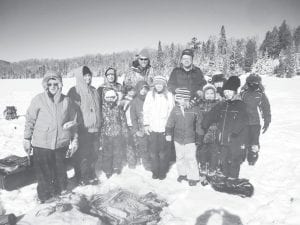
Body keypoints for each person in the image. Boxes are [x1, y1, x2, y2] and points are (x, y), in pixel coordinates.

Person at [24, 71, 78, 203]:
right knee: (44, 173)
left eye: (56, 83)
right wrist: (26, 139)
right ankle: (45, 196)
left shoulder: (67, 100)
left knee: (60, 170)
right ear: (46, 85)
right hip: (42, 144)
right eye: (50, 84)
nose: (53, 86)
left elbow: (73, 122)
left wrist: (75, 139)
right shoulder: (38, 99)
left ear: (60, 84)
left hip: (61, 143)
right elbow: (30, 120)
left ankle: (61, 190)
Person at [202, 76, 248, 179]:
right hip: (222, 138)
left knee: (234, 159)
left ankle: (233, 178)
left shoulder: (241, 105)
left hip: (234, 139)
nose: (227, 93)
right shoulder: (222, 104)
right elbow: (212, 114)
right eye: (225, 92)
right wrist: (205, 123)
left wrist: (235, 133)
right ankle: (224, 176)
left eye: (229, 91)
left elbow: (243, 120)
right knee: (223, 158)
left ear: (235, 92)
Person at [67, 66, 102, 185]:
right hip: (83, 129)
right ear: (79, 77)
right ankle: (80, 176)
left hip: (95, 128)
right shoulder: (74, 91)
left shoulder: (94, 90)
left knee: (94, 154)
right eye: (85, 75)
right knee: (82, 155)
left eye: (89, 75)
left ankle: (91, 174)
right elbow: (72, 111)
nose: (87, 77)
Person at [165, 88, 202, 186]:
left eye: (184, 99)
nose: (181, 101)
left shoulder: (195, 109)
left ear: (188, 99)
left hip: (190, 138)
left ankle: (193, 177)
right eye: (179, 99)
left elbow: (199, 124)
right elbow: (170, 122)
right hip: (178, 138)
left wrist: (199, 136)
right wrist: (168, 133)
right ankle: (183, 174)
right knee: (180, 157)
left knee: (190, 158)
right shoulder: (175, 109)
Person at [143, 75, 174, 180]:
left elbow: (171, 112)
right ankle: (155, 170)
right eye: (157, 84)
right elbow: (145, 110)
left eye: (161, 84)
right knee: (153, 152)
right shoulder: (149, 95)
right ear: (154, 85)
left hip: (164, 129)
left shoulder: (169, 95)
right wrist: (146, 124)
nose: (159, 86)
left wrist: (169, 128)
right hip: (152, 128)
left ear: (164, 85)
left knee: (163, 152)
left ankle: (162, 171)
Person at [240, 73, 271, 165]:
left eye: (256, 83)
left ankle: (252, 155)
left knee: (254, 141)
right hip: (243, 122)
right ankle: (241, 155)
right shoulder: (243, 93)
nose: (253, 84)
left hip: (255, 123)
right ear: (248, 83)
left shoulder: (260, 94)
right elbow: (236, 105)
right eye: (251, 83)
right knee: (243, 139)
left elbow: (265, 108)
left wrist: (267, 121)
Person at [100, 89, 128, 178]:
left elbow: (123, 120)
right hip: (106, 134)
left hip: (117, 134)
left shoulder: (118, 108)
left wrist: (125, 131)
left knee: (117, 152)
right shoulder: (102, 109)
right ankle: (107, 170)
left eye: (112, 97)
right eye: (108, 98)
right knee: (107, 153)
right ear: (105, 98)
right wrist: (100, 135)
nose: (110, 99)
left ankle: (116, 167)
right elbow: (101, 122)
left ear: (115, 98)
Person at [197, 84, 220, 176]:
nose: (209, 95)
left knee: (214, 150)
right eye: (207, 93)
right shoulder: (200, 104)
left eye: (211, 93)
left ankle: (212, 167)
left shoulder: (218, 104)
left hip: (214, 131)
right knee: (203, 150)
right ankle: (203, 165)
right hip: (203, 131)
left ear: (215, 94)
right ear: (204, 94)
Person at [130, 81, 151, 170]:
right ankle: (146, 163)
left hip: (151, 126)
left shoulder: (150, 99)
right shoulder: (135, 101)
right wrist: (136, 130)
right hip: (140, 127)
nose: (143, 91)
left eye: (145, 89)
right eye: (141, 88)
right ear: (138, 89)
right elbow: (133, 118)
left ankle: (152, 161)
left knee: (151, 145)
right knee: (144, 146)